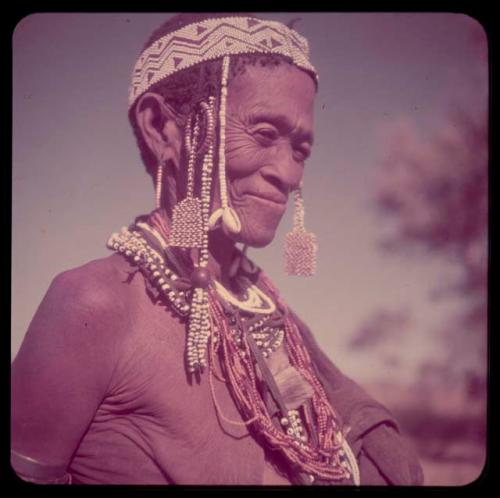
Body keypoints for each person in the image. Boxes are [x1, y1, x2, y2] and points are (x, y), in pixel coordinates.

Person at [11, 13, 423, 486]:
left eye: (301, 150)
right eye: (265, 134)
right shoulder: (92, 306)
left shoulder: (277, 321)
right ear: (163, 128)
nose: (288, 174)